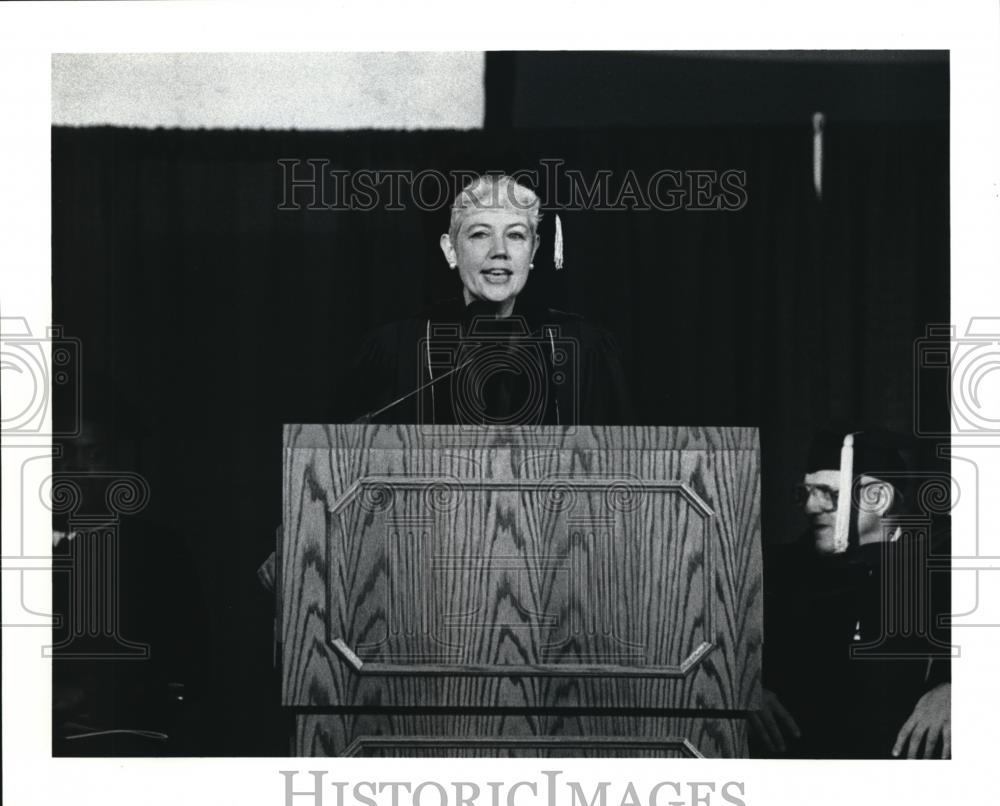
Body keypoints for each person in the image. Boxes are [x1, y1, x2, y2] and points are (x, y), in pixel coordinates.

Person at [337, 174, 633, 425]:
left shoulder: (584, 348)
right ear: (451, 249)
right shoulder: (398, 349)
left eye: (516, 236)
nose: (499, 251)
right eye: (480, 234)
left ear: (533, 250)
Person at [750, 427, 951, 759]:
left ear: (880, 498)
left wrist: (955, 686)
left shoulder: (944, 559)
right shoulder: (773, 569)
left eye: (829, 493)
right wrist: (744, 687)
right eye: (805, 492)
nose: (811, 507)